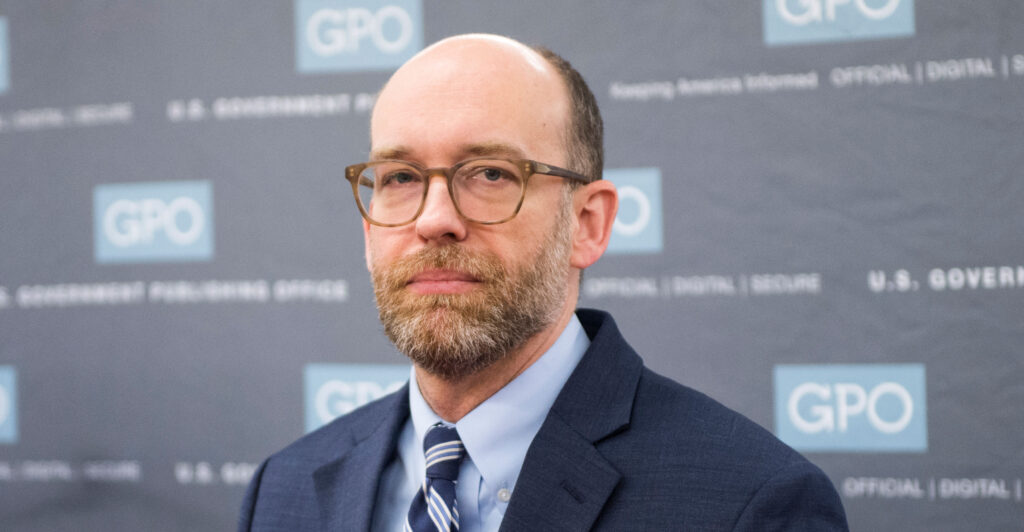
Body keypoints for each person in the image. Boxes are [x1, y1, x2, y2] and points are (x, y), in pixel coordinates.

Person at [238, 33, 848, 531]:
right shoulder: (285, 490)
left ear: (588, 223)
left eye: (491, 173)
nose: (434, 220)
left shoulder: (751, 504)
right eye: (399, 178)